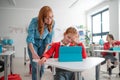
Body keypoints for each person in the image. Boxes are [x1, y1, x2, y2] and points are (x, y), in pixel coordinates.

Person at [26, 6, 55, 80]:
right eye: (47, 18)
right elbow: (30, 38)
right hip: (33, 43)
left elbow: (48, 39)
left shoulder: (52, 23)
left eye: (51, 17)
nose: (49, 20)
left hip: (43, 43)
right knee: (35, 66)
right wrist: (33, 53)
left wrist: (45, 51)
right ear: (42, 17)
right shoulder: (34, 21)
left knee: (42, 66)